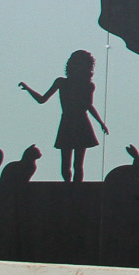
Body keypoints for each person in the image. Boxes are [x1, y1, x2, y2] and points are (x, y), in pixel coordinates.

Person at [20, 50, 108, 183]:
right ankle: (68, 188)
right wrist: (28, 89)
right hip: (71, 123)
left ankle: (75, 189)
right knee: (68, 164)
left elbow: (89, 106)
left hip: (79, 124)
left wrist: (101, 123)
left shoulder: (87, 85)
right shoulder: (62, 82)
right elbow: (42, 99)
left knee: (77, 164)